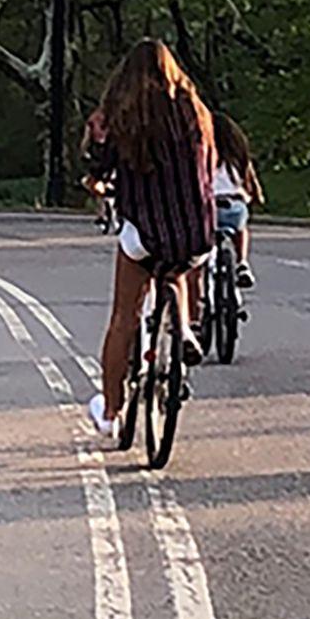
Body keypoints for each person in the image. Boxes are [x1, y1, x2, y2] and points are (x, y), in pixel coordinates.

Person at [83, 40, 219, 438]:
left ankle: (110, 412)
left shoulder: (124, 117)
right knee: (177, 267)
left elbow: (101, 166)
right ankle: (186, 331)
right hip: (197, 233)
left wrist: (99, 178)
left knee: (125, 315)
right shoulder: (198, 113)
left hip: (145, 229)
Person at [211, 111, 264, 288]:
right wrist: (254, 196)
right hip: (234, 205)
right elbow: (249, 181)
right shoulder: (238, 155)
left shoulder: (205, 154)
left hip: (209, 207)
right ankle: (242, 263)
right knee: (241, 228)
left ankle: (209, 265)